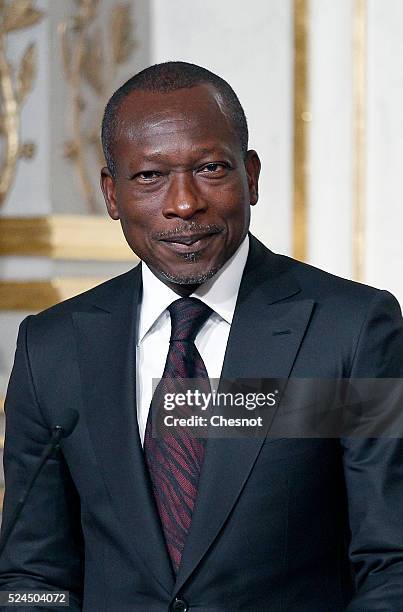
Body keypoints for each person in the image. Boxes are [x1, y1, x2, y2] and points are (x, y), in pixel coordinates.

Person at [0, 61, 403, 612]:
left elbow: (392, 564)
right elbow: (31, 576)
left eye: (211, 168)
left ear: (252, 176)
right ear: (111, 194)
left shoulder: (350, 332)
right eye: (149, 176)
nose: (184, 203)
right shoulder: (50, 348)